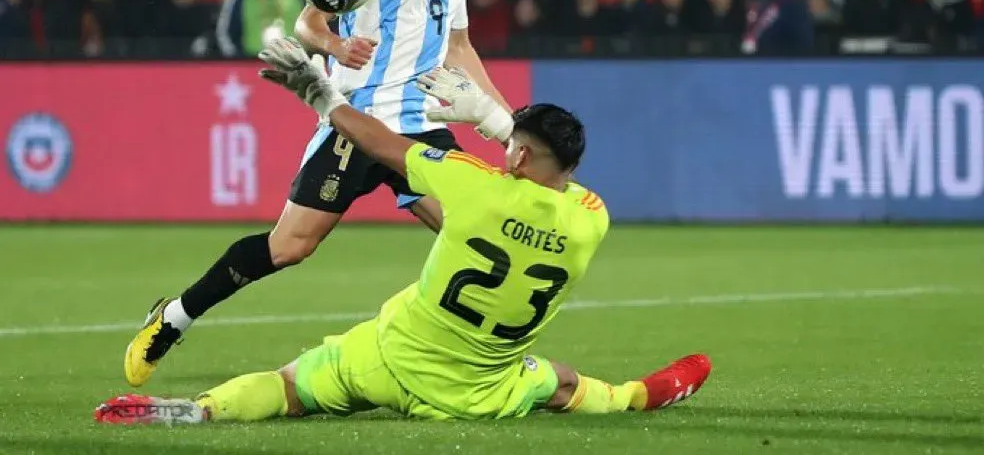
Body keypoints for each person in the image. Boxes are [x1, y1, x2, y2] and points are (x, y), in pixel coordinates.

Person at [97, 40, 711, 424]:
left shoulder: (475, 186)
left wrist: (321, 95)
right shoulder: (591, 218)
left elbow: (390, 142)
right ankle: (640, 395)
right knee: (563, 382)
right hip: (479, 392)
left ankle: (198, 411)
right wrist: (496, 123)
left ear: (521, 156)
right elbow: (551, 180)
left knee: (290, 386)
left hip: (390, 355)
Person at [124, 0, 509, 387]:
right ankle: (173, 317)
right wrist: (334, 46)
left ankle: (470, 362)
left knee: (473, 238)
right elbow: (307, 24)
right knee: (288, 248)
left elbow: (460, 47)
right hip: (356, 120)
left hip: (422, 126)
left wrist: (508, 121)